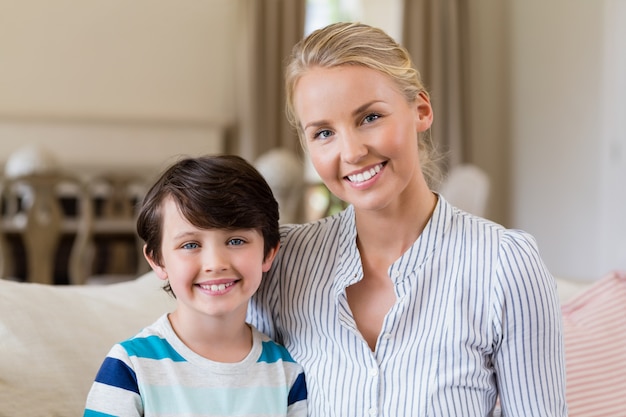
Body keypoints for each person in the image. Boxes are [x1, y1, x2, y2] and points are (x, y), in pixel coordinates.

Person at [247, 22, 567, 416]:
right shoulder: (279, 264)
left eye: (370, 118)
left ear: (421, 110)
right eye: (324, 133)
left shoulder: (506, 265)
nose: (351, 151)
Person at [84, 155, 307, 417]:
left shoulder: (285, 372)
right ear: (158, 260)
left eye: (236, 241)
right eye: (190, 245)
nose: (215, 263)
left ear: (268, 252)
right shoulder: (130, 366)